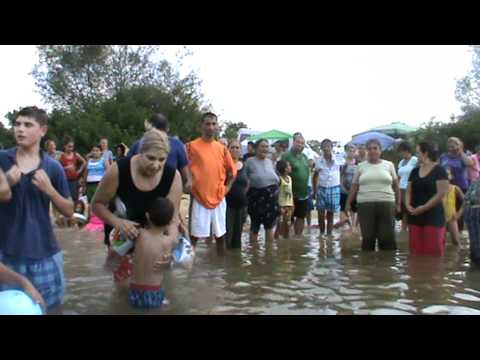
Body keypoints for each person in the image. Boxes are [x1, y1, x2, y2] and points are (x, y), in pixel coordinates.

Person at [0, 106, 74, 311]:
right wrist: (5, 181)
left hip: (45, 254)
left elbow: (69, 211)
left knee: (50, 308)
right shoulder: (2, 159)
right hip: (6, 256)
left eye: (27, 125)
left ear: (42, 130)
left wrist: (50, 190)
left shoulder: (53, 167)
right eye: (17, 124)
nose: (19, 129)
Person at [93, 130, 183, 282]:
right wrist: (119, 223)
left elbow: (172, 219)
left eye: (162, 160)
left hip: (154, 239)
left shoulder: (173, 177)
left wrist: (170, 245)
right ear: (140, 152)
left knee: (154, 285)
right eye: (151, 158)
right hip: (121, 237)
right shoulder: (118, 170)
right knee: (122, 290)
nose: (156, 165)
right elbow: (96, 205)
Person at [186, 113, 237, 250]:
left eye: (214, 124)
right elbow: (182, 167)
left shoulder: (222, 149)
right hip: (199, 197)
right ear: (201, 126)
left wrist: (227, 189)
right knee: (194, 236)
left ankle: (220, 270)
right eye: (207, 124)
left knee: (220, 237)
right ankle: (188, 267)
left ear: (217, 126)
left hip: (219, 198)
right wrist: (188, 184)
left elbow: (232, 173)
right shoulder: (191, 146)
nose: (210, 127)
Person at [346, 139, 401, 251]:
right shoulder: (360, 166)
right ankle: (368, 266)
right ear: (366, 151)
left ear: (380, 151)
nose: (372, 151)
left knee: (387, 238)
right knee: (367, 238)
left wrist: (398, 203)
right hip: (365, 204)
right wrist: (348, 203)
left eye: (375, 148)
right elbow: (354, 187)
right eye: (369, 149)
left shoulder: (389, 165)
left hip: (387, 203)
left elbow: (396, 186)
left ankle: (386, 266)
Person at [129, 197, 177, 310]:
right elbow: (175, 238)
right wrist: (174, 224)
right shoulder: (167, 241)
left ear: (147, 216)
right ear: (169, 222)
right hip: (153, 291)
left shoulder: (140, 234)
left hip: (134, 289)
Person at [128, 114, 192, 194]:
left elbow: (127, 170)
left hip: (140, 192)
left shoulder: (139, 144)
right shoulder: (177, 145)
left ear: (149, 127)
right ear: (167, 129)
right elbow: (187, 179)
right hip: (166, 195)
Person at [406, 142, 449, 256]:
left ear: (426, 153)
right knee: (415, 252)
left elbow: (442, 193)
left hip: (433, 214)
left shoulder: (440, 170)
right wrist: (407, 204)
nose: (416, 155)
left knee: (433, 251)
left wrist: (424, 207)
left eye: (418, 152)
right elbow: (408, 190)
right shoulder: (414, 171)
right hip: (415, 213)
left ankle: (433, 274)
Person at [245, 139, 280, 243]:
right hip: (256, 199)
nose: (265, 149)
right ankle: (254, 253)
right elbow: (244, 178)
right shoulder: (249, 161)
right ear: (256, 148)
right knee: (255, 226)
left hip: (271, 200)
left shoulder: (270, 162)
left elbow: (276, 178)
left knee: (269, 227)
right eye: (262, 146)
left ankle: (268, 255)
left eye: (266, 146)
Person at [440, 137, 473, 232]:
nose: (451, 148)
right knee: (446, 211)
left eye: (453, 145)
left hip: (461, 186)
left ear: (459, 146)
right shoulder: (444, 156)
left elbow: (470, 164)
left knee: (459, 211)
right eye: (449, 146)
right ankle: (447, 234)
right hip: (446, 187)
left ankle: (459, 233)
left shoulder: (463, 156)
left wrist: (461, 152)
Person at [281, 133, 310, 236]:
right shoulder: (286, 156)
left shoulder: (304, 157)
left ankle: (298, 240)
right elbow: (280, 172)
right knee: (287, 218)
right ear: (293, 143)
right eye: (298, 142)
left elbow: (307, 171)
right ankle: (285, 240)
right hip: (289, 194)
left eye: (302, 143)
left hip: (303, 194)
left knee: (301, 217)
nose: (300, 145)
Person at [313, 139, 342, 236]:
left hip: (334, 188)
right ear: (321, 148)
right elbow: (315, 176)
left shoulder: (339, 159)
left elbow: (342, 171)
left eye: (328, 146)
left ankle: (329, 235)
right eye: (324, 146)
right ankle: (321, 234)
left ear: (331, 147)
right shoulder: (318, 161)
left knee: (330, 214)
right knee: (320, 213)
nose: (326, 148)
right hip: (321, 188)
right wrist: (314, 191)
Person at [225, 140, 249, 249]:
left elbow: (248, 183)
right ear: (228, 149)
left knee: (237, 237)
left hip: (242, 206)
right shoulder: (224, 165)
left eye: (237, 148)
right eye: (232, 147)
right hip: (227, 205)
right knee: (226, 236)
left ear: (240, 151)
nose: (235, 150)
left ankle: (236, 262)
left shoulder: (244, 166)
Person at [334, 144, 358, 229]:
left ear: (355, 152)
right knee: (343, 208)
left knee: (353, 209)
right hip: (343, 188)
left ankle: (353, 226)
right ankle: (343, 225)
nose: (351, 153)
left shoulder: (357, 162)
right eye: (349, 151)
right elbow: (340, 175)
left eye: (353, 151)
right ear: (346, 152)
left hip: (354, 189)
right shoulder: (343, 162)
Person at [397, 142, 418, 231]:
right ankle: (403, 230)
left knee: (411, 209)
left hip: (411, 188)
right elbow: (399, 176)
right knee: (404, 211)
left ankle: (413, 229)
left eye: (401, 151)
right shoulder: (401, 162)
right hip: (401, 188)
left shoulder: (414, 160)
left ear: (407, 151)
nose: (400, 153)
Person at [58, 136, 86, 203]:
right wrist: (66, 168)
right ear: (64, 146)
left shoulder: (76, 155)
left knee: (74, 199)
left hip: (74, 181)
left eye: (72, 147)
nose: (71, 148)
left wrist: (79, 171)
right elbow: (56, 168)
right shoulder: (60, 156)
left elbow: (84, 162)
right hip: (65, 181)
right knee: (65, 199)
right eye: (69, 146)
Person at [461, 178, 480, 265]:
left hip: (474, 210)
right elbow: (466, 198)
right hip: (471, 212)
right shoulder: (475, 181)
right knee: (473, 239)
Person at [443, 169, 464, 246]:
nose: (445, 176)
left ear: (451, 176)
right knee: (441, 241)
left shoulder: (455, 188)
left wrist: (459, 213)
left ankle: (455, 257)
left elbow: (466, 201)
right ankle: (444, 257)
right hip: (440, 217)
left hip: (452, 217)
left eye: (447, 174)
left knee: (456, 241)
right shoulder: (436, 188)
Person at [275, 160, 294, 239]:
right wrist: (278, 206)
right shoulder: (279, 179)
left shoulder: (289, 178)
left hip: (289, 206)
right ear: (285, 169)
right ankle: (276, 240)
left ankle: (286, 241)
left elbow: (291, 192)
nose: (290, 167)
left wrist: (292, 204)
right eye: (289, 166)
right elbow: (276, 194)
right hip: (281, 206)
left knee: (288, 225)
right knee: (279, 225)